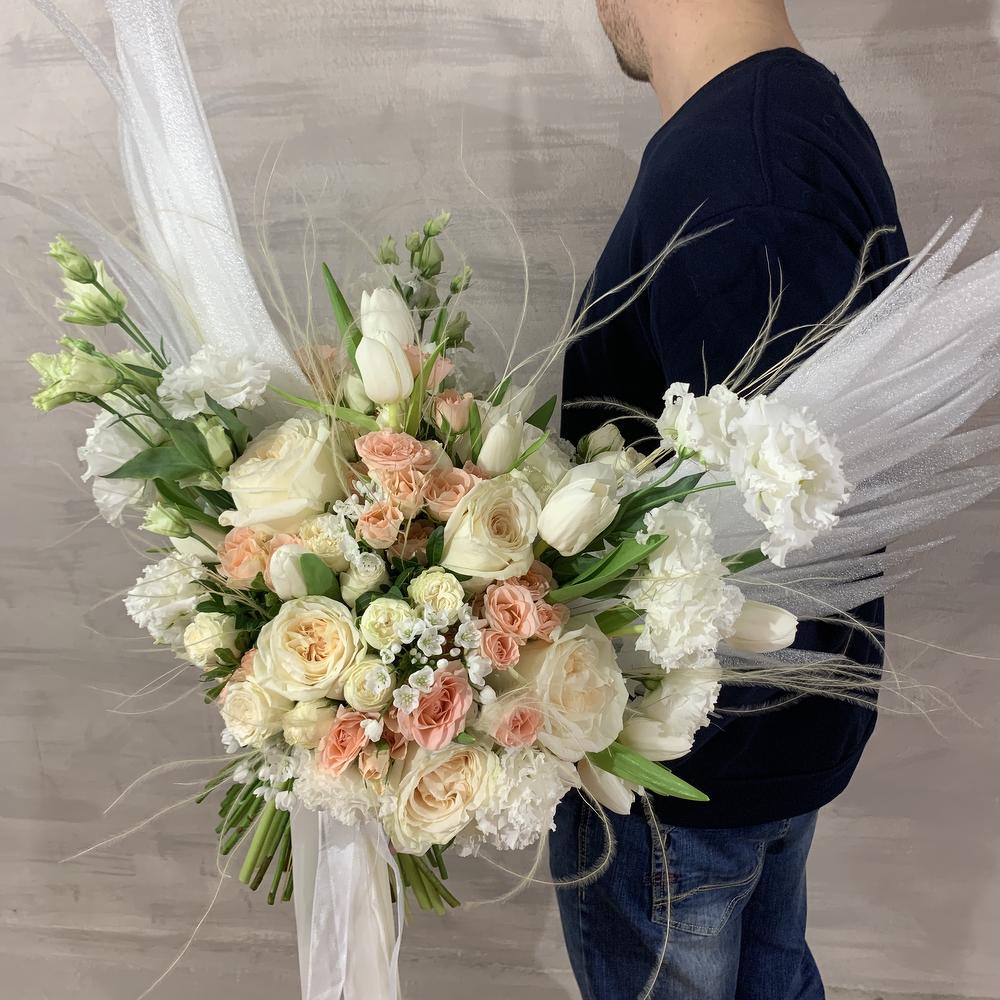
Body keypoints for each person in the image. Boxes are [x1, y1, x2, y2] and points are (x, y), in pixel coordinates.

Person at [550, 2, 908, 998]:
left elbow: (780, 534)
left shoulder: (746, 176)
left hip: (693, 785)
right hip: (748, 762)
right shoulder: (778, 126)